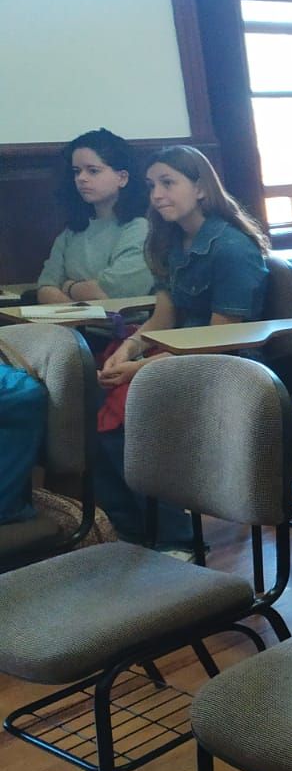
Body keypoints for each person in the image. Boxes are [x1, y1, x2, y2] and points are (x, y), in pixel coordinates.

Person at [95, 146, 270, 545]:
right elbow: (163, 317)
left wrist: (140, 369)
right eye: (151, 185)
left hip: (228, 365)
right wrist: (129, 350)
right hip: (179, 355)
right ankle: (133, 530)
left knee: (131, 408)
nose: (156, 195)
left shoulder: (231, 247)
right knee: (91, 400)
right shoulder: (171, 241)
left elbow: (219, 339)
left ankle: (177, 538)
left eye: (168, 183)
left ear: (201, 188)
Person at [37, 129, 154, 304]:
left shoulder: (139, 228)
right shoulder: (72, 231)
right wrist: (78, 312)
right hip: (73, 320)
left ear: (122, 178)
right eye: (77, 171)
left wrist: (69, 286)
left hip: (123, 321)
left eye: (93, 171)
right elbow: (45, 288)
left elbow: (114, 291)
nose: (81, 178)